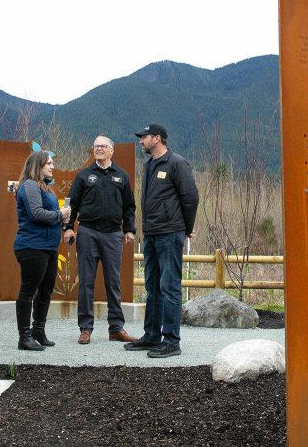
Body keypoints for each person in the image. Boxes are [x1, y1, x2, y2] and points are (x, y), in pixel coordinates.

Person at [124, 124, 199, 358]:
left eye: (144, 137)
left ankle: (171, 340)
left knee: (170, 287)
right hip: (152, 234)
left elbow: (191, 197)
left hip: (170, 233)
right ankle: (152, 336)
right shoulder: (149, 166)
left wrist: (187, 227)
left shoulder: (176, 163)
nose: (140, 141)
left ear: (157, 138)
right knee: (152, 287)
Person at [64, 135, 137, 345]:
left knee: (113, 282)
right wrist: (69, 228)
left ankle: (116, 328)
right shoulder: (84, 176)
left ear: (111, 150)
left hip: (113, 234)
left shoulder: (121, 176)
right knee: (86, 282)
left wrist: (129, 230)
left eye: (103, 146)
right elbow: (72, 204)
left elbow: (129, 207)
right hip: (87, 232)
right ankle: (85, 328)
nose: (99, 149)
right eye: (96, 146)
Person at [13, 150, 71, 351]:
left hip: (48, 247)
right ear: (37, 166)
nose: (52, 166)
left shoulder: (44, 188)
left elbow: (48, 216)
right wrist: (59, 214)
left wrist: (62, 220)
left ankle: (38, 330)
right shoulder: (29, 186)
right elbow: (36, 214)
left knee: (46, 291)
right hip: (32, 247)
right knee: (28, 290)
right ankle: (24, 336)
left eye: (52, 163)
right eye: (48, 163)